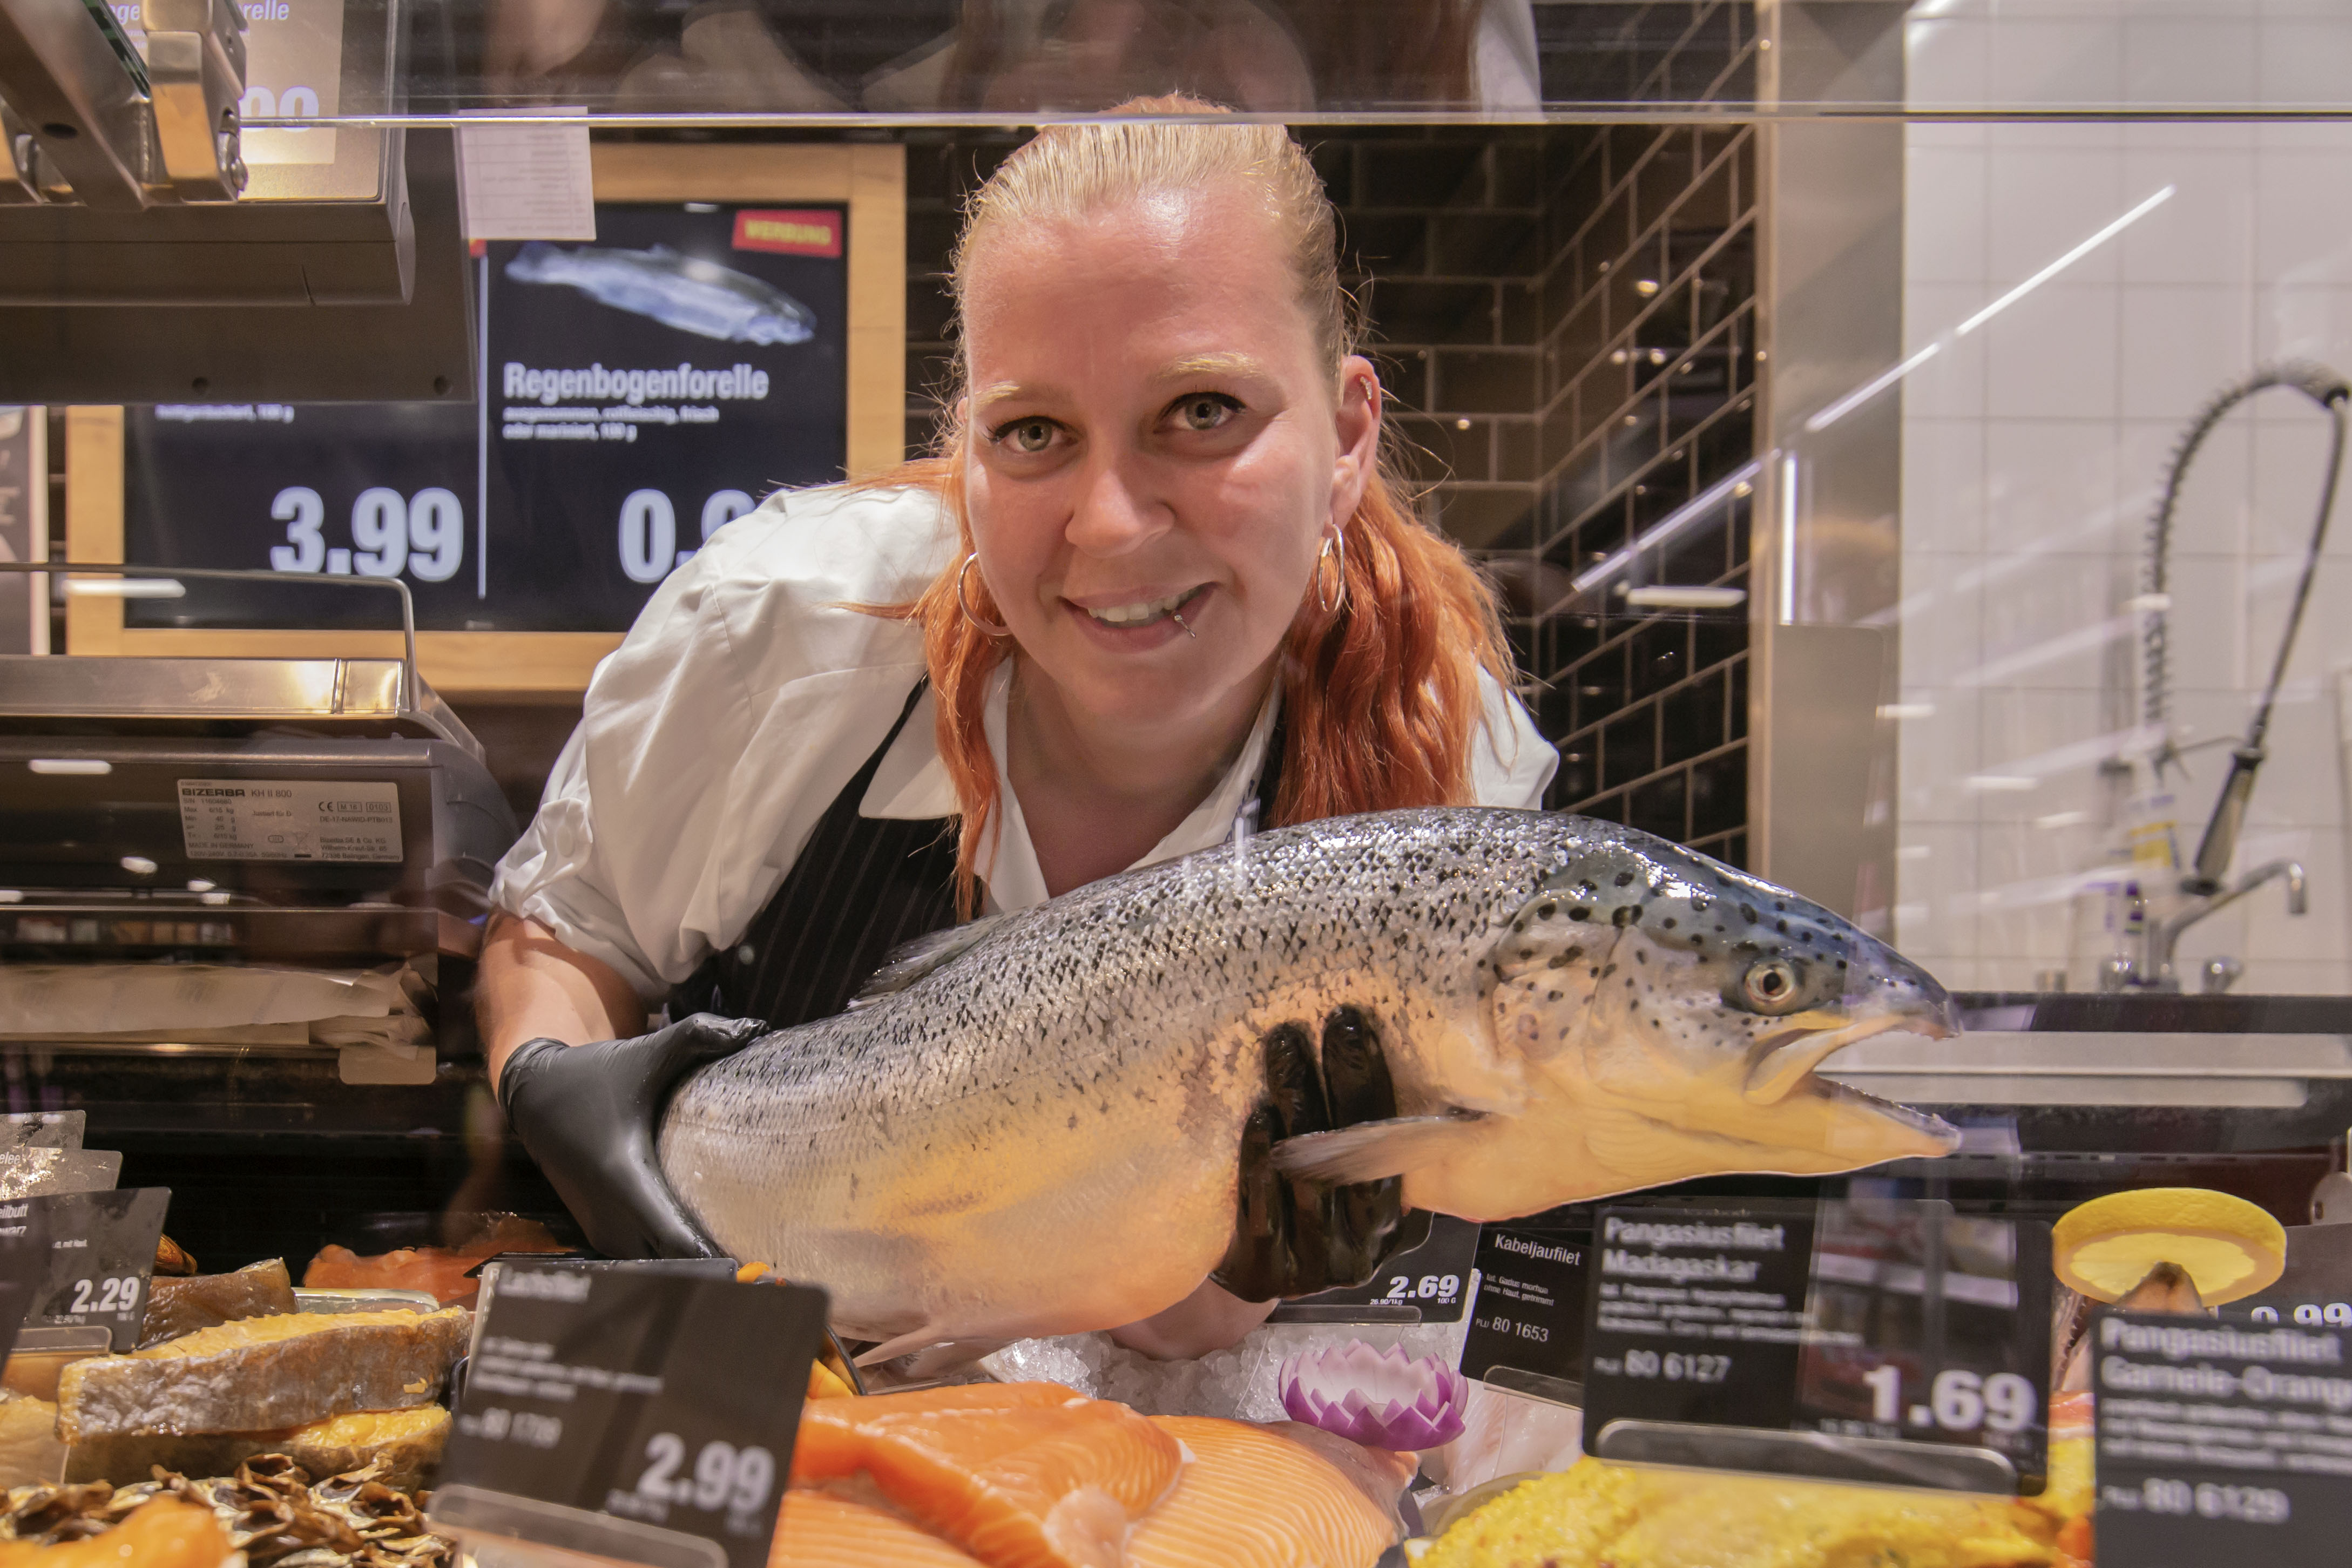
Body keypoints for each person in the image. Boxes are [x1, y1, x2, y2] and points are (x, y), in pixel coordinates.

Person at [477, 99, 1557, 1357]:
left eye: (1203, 411)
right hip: (760, 1401)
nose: (1108, 524)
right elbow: (562, 934)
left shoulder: (1447, 778)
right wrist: (559, 1089)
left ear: (1348, 436)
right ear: (969, 447)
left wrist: (1244, 1277)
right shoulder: (783, 632)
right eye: (1034, 432)